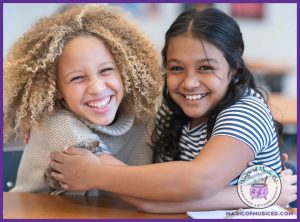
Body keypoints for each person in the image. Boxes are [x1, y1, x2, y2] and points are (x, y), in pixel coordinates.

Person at [49, 7, 297, 212]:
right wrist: (41, 114)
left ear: (234, 70)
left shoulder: (245, 111)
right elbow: (155, 198)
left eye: (206, 68)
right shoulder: (174, 109)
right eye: (177, 68)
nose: (189, 82)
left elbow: (196, 182)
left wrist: (94, 174)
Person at [3, 4, 162, 195]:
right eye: (77, 78)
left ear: (125, 71)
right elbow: (138, 189)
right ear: (55, 89)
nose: (97, 88)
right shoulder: (57, 125)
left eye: (106, 70)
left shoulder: (145, 118)